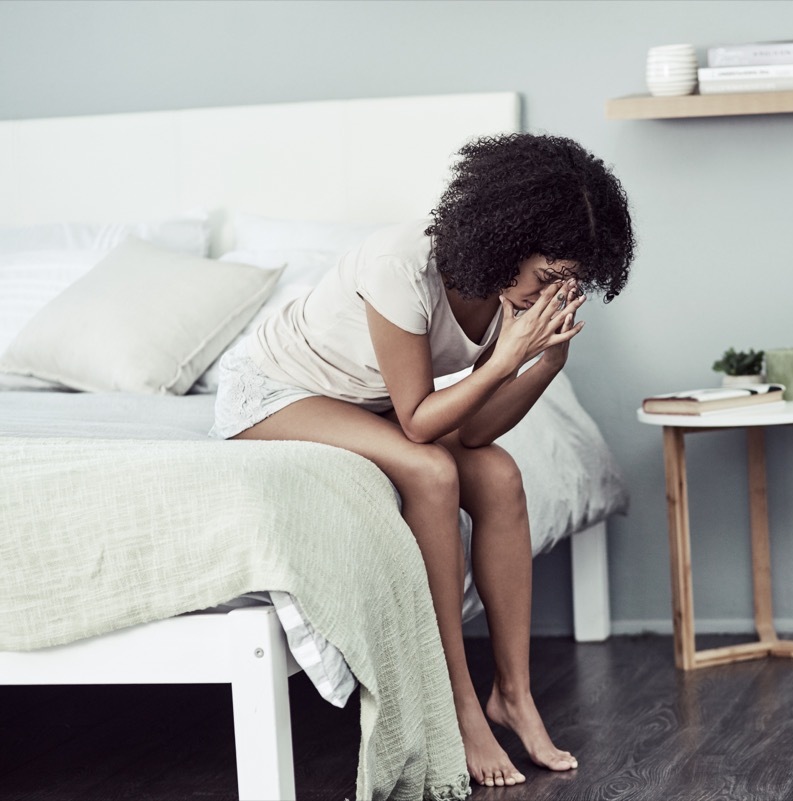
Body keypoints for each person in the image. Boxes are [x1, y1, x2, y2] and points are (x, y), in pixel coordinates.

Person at [209, 132, 636, 788]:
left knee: (498, 473)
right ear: (504, 236)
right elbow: (418, 421)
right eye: (547, 277)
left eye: (570, 282)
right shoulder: (399, 264)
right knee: (428, 472)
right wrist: (504, 357)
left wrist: (546, 362)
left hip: (366, 401)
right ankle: (458, 704)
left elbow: (473, 432)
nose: (552, 293)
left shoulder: (515, 292)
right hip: (276, 393)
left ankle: (513, 695)